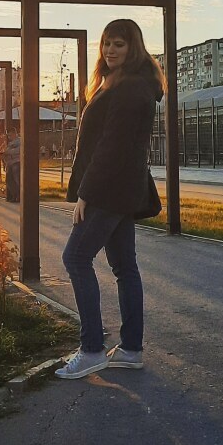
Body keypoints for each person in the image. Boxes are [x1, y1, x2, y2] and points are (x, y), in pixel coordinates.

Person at [57, 19, 165, 380]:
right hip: (122, 190)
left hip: (109, 189)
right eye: (106, 44)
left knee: (75, 257)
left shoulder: (130, 88)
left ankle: (91, 350)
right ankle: (131, 349)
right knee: (124, 267)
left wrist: (86, 193)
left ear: (133, 47)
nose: (109, 50)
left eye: (118, 44)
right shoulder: (123, 84)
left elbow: (112, 147)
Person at [4, 130, 21, 202]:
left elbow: (19, 150)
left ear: (15, 134)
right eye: (8, 135)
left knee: (17, 180)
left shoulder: (19, 141)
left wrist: (8, 152)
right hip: (10, 163)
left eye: (10, 135)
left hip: (16, 162)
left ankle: (18, 196)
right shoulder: (10, 143)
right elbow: (6, 151)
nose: (9, 137)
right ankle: (15, 195)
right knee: (9, 180)